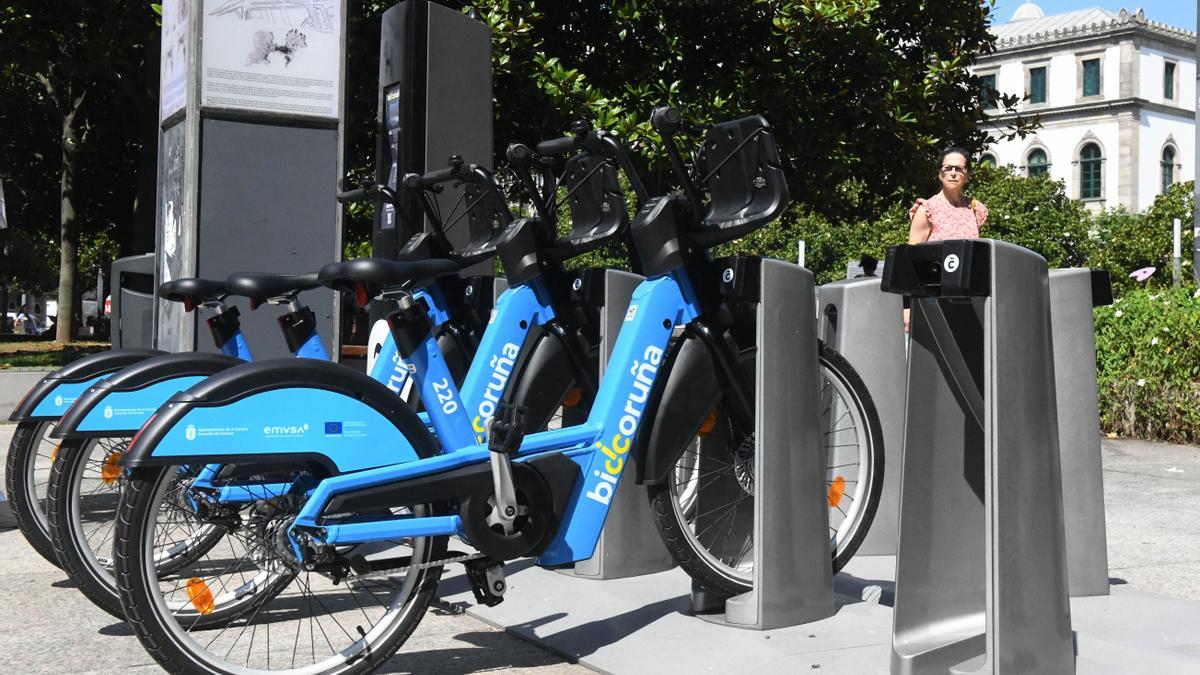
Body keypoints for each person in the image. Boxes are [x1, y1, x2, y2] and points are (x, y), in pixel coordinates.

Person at [903, 147, 988, 332]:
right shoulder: (927, 209)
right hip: (933, 302)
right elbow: (910, 261)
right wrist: (908, 307)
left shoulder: (975, 210)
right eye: (947, 168)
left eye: (959, 169)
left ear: (967, 175)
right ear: (939, 173)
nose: (953, 173)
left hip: (969, 301)